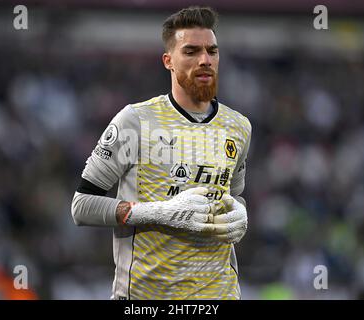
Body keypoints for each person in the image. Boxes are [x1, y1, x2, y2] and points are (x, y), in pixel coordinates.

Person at [71, 6, 252, 300]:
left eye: (212, 51)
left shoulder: (239, 126)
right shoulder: (135, 121)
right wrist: (157, 212)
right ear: (168, 61)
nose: (205, 60)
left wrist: (241, 212)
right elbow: (81, 206)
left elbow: (235, 195)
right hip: (146, 299)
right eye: (191, 51)